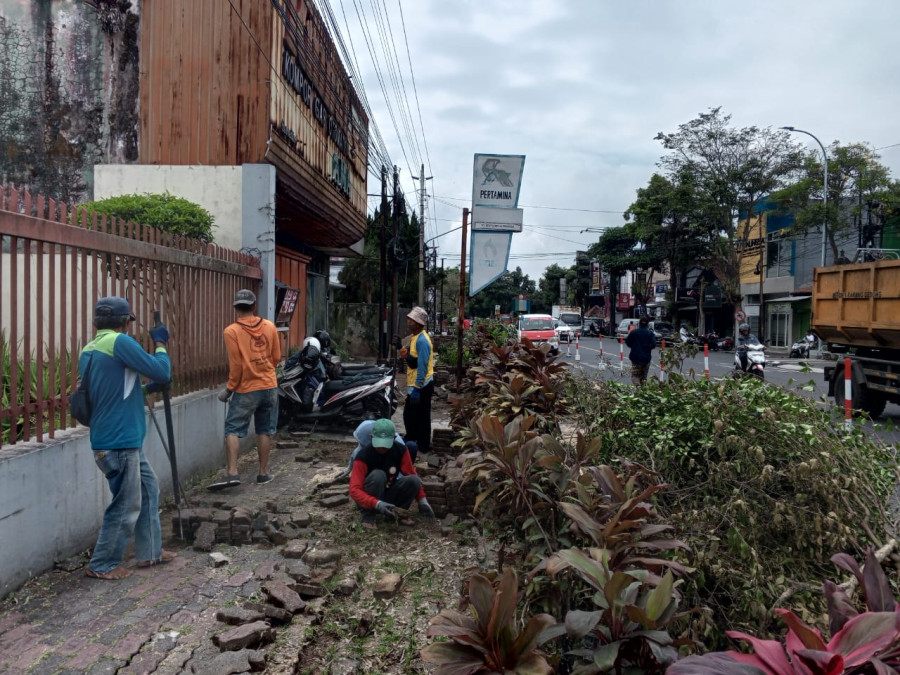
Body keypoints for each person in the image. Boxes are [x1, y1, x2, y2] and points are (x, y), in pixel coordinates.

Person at [81, 296, 174, 580]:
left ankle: (150, 552)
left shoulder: (90, 348)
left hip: (113, 438)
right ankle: (102, 563)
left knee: (148, 491)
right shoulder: (120, 343)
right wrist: (160, 344)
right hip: (120, 441)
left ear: (96, 321)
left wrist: (146, 390)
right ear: (125, 321)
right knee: (125, 503)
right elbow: (162, 370)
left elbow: (109, 391)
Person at [209, 289, 281, 490]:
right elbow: (276, 358)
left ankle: (232, 473)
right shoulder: (270, 327)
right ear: (254, 306)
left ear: (235, 307)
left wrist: (229, 389)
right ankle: (263, 474)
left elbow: (237, 366)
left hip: (246, 389)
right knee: (265, 430)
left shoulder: (231, 331)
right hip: (270, 386)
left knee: (232, 429)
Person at [348, 418, 434, 529]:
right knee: (378, 475)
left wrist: (422, 500)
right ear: (371, 437)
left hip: (389, 493)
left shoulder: (401, 450)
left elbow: (411, 473)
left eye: (386, 444)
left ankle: (398, 514)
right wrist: (376, 503)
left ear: (394, 438)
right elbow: (354, 490)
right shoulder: (363, 456)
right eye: (379, 443)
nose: (382, 447)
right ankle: (368, 517)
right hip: (369, 498)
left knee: (414, 480)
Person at [401, 306, 434, 456]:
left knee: (419, 417)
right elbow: (411, 360)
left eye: (412, 320)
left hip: (421, 385)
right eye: (408, 319)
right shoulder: (415, 337)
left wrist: (417, 389)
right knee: (412, 415)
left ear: (419, 323)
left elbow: (422, 367)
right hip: (416, 384)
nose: (408, 322)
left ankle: (422, 445)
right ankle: (414, 440)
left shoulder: (422, 341)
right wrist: (399, 347)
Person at [342, 418, 418, 475]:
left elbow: (401, 461)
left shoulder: (398, 445)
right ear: (371, 437)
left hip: (393, 466)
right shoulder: (366, 428)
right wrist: (350, 467)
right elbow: (358, 451)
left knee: (412, 446)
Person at [624, 315, 655, 386]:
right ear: (647, 324)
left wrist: (634, 347)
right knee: (643, 377)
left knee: (635, 375)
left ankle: (637, 385)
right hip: (646, 358)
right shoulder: (650, 334)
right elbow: (653, 345)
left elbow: (628, 342)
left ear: (639, 323)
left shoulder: (633, 333)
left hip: (635, 357)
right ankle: (642, 390)